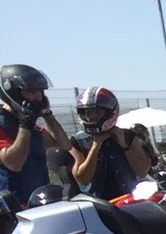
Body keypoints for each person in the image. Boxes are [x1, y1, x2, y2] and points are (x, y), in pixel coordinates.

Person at [69, 88, 150, 199]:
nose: (92, 117)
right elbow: (82, 179)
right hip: (97, 205)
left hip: (129, 201)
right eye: (88, 113)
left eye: (98, 113)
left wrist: (124, 146)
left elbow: (143, 171)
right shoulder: (78, 140)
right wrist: (95, 147)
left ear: (110, 113)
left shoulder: (127, 136)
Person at [0, 65, 65, 200]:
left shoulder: (32, 128)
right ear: (13, 92)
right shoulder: (4, 124)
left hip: (39, 200)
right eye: (31, 92)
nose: (38, 97)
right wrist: (25, 126)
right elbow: (14, 164)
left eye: (40, 92)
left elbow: (63, 145)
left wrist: (47, 115)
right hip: (12, 207)